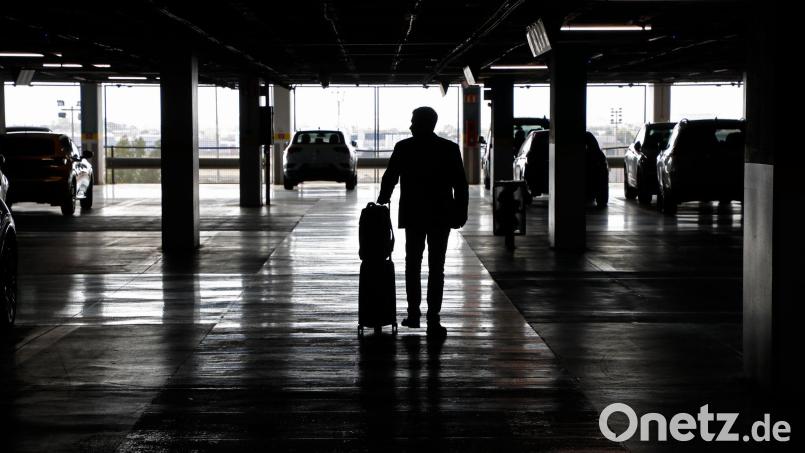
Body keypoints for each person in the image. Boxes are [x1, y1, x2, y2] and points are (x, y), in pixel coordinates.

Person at [377, 106, 469, 336]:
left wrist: (382, 201)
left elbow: (390, 177)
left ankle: (414, 314)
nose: (410, 126)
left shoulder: (404, 148)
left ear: (423, 123)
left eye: (413, 121)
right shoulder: (449, 149)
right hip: (441, 215)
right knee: (437, 267)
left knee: (412, 265)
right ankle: (433, 318)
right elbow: (461, 184)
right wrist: (461, 212)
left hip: (414, 214)